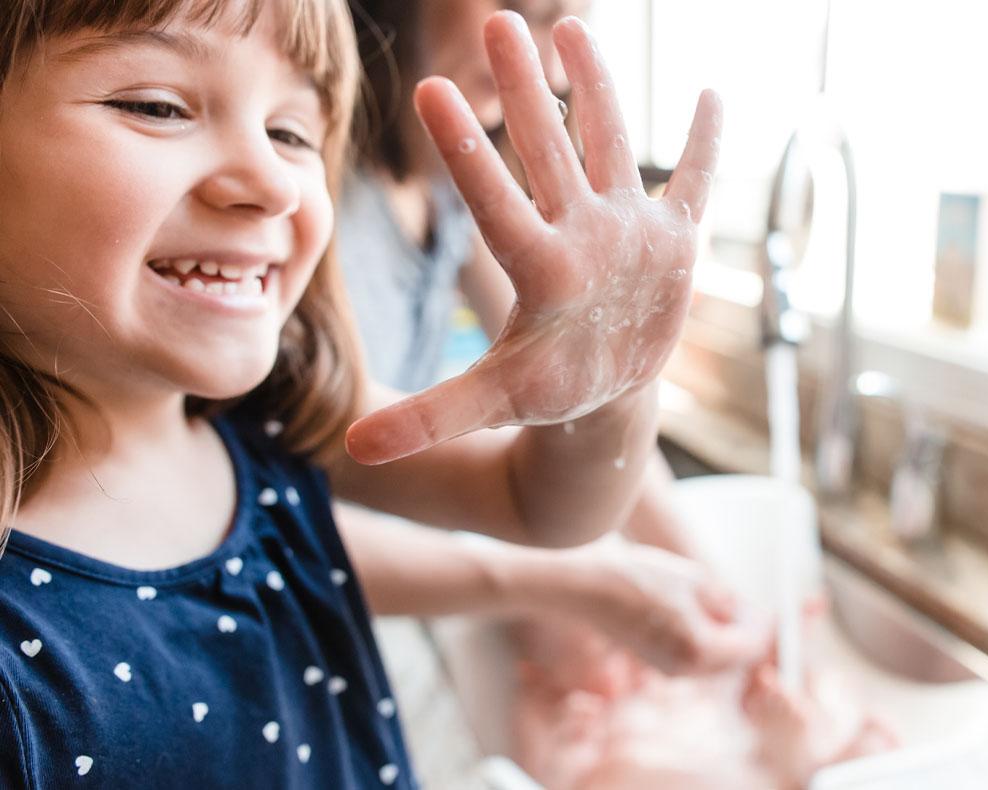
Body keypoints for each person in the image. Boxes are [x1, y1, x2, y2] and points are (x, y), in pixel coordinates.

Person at [0, 1, 725, 787]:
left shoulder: (283, 409)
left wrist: (609, 396)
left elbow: (542, 507)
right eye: (157, 106)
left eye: (292, 134)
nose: (272, 183)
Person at [335, 0, 764, 677]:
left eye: (558, 23)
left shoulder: (443, 193)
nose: (539, 64)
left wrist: (714, 590)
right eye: (523, 10)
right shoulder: (306, 207)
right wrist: (585, 587)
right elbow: (286, 498)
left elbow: (584, 369)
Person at [510, 601, 898, 789]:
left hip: (750, 756)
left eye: (638, 635)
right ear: (545, 679)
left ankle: (819, 766)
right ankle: (796, 774)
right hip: (753, 770)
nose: (637, 655)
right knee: (617, 767)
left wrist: (766, 671)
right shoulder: (574, 726)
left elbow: (719, 701)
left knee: (869, 733)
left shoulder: (657, 683)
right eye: (610, 651)